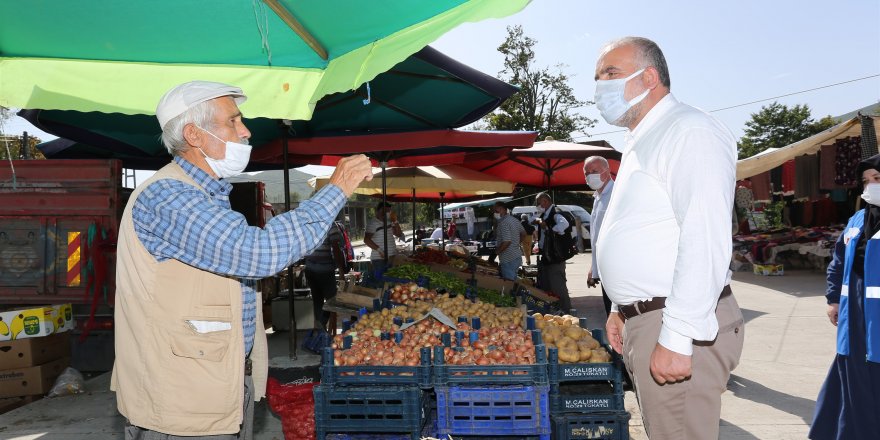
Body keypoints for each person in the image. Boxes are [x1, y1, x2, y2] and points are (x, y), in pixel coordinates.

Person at [111, 80, 372, 439]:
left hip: (217, 383)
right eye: (233, 121)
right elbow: (258, 254)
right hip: (181, 398)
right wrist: (336, 189)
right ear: (194, 134)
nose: (245, 130)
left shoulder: (205, 195)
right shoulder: (168, 196)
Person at [593, 37, 744, 440]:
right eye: (597, 77)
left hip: (675, 323)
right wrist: (621, 308)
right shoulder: (643, 140)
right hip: (648, 319)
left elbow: (704, 236)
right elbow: (649, 231)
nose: (599, 87)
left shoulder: (688, 130)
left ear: (650, 76)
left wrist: (678, 336)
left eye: (610, 73)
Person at [810, 154, 880, 439]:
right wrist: (833, 299)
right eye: (865, 181)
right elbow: (838, 261)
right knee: (852, 370)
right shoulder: (858, 219)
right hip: (855, 312)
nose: (870, 186)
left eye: (877, 178)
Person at [583, 156, 615, 317]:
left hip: (616, 267)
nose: (590, 175)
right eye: (586, 173)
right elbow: (597, 238)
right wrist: (593, 267)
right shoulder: (598, 197)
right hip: (604, 268)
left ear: (607, 171)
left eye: (594, 171)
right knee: (610, 311)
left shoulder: (616, 195)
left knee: (618, 313)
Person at [304, 217, 345, 332]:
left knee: (317, 301)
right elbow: (336, 249)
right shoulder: (330, 224)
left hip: (310, 268)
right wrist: (341, 269)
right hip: (325, 270)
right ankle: (321, 324)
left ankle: (319, 328)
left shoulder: (308, 223)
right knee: (332, 301)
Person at [534, 192, 572, 312]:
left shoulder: (555, 213)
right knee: (549, 284)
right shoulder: (546, 214)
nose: (538, 205)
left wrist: (550, 230)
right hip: (548, 256)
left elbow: (564, 224)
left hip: (555, 257)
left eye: (539, 203)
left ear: (545, 201)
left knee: (558, 285)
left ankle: (566, 311)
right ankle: (557, 309)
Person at [364, 201, 403, 278]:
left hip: (391, 257)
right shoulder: (373, 223)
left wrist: (395, 221)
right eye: (385, 211)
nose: (387, 213)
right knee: (381, 282)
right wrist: (380, 250)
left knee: (390, 281)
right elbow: (366, 240)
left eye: (389, 211)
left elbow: (399, 234)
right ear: (379, 211)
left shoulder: (389, 222)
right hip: (379, 259)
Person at [493, 201, 526, 281]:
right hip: (516, 256)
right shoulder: (514, 220)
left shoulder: (503, 223)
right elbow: (524, 233)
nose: (494, 213)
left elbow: (507, 241)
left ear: (502, 209)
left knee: (509, 284)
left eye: (495, 211)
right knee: (513, 282)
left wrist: (496, 252)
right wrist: (516, 243)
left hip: (508, 259)